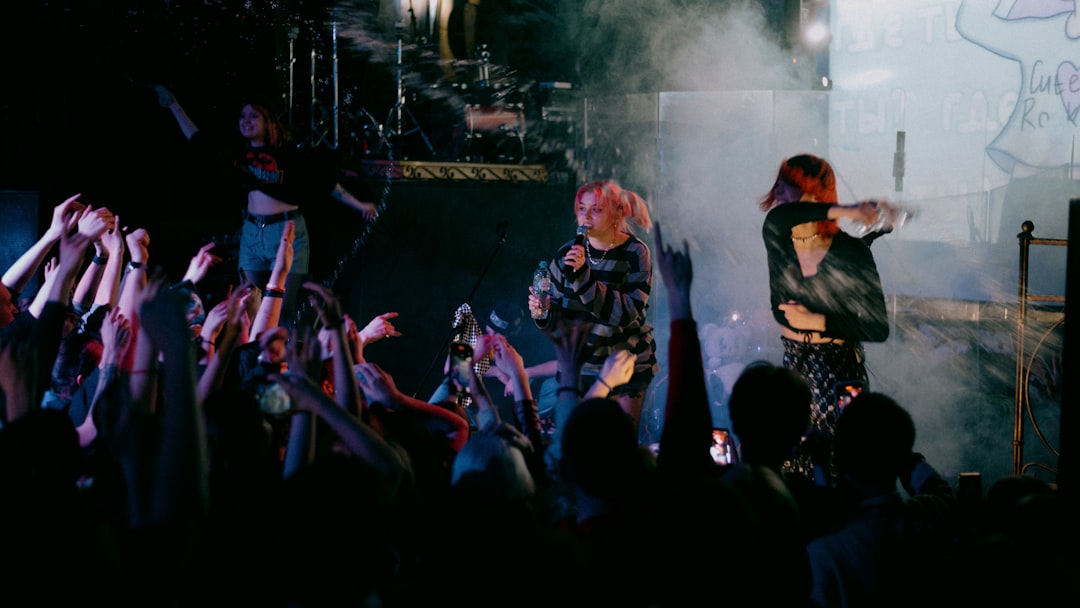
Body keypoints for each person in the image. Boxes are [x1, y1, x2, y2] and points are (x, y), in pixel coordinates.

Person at [154, 85, 378, 326]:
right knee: (249, 305)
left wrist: (359, 205)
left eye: (254, 115)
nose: (246, 121)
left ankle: (284, 363)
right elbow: (200, 142)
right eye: (242, 116)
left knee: (282, 311)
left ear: (268, 121)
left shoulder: (289, 155)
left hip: (286, 232)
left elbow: (325, 184)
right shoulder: (237, 155)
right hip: (252, 232)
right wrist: (174, 106)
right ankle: (253, 361)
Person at [758, 153, 893, 485]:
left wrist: (817, 322)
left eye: (796, 187)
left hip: (839, 367)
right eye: (782, 184)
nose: (785, 193)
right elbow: (784, 216)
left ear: (818, 194)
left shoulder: (851, 251)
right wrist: (849, 210)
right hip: (794, 365)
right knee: (789, 464)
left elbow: (877, 327)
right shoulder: (777, 233)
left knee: (843, 463)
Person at [528, 179, 658, 437]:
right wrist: (542, 312)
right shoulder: (566, 254)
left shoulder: (635, 253)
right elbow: (556, 322)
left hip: (623, 366)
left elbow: (624, 314)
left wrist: (583, 276)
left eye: (596, 209)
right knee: (580, 445)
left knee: (618, 447)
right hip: (579, 367)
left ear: (615, 213)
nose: (586, 216)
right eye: (582, 209)